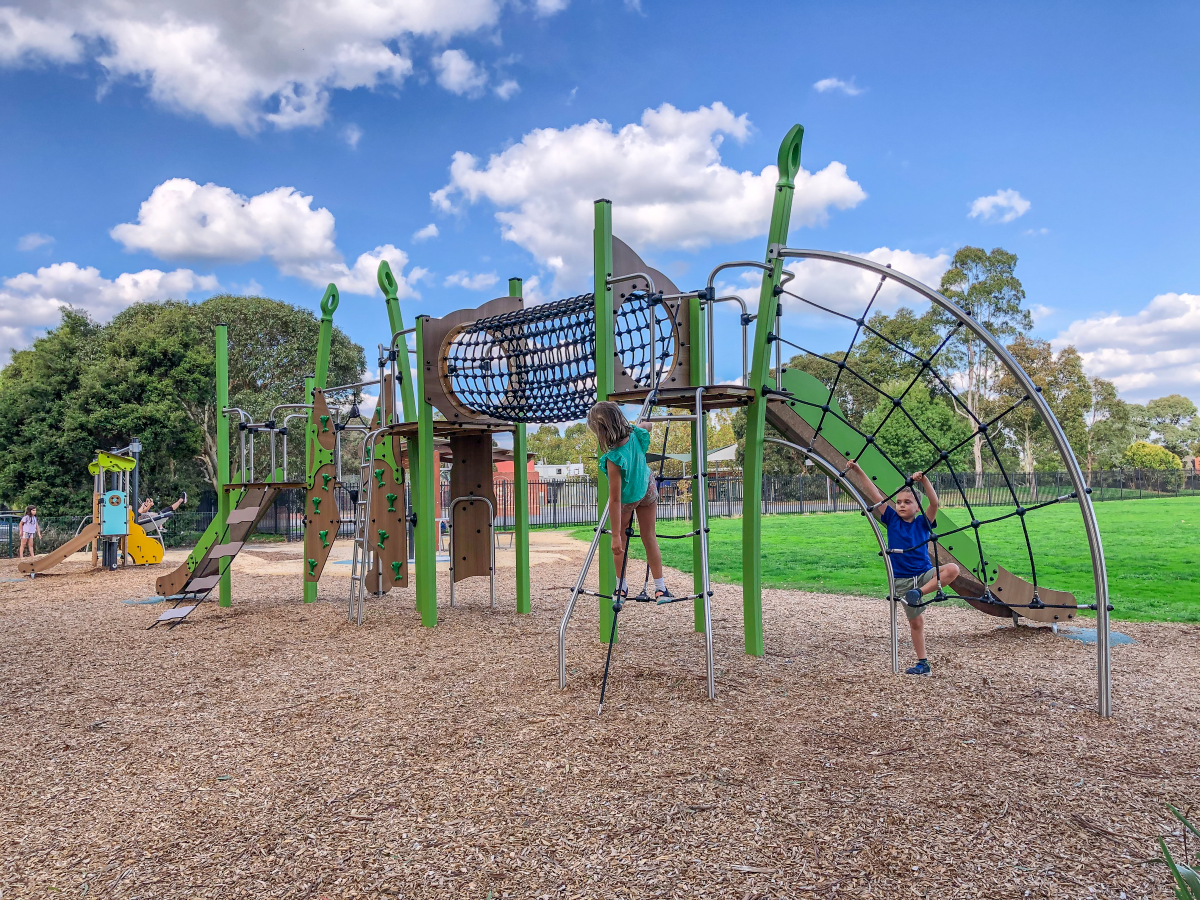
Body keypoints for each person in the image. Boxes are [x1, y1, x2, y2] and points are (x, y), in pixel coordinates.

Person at [845, 462, 959, 676]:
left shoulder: (923, 523)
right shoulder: (892, 520)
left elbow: (934, 502)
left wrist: (924, 481)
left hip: (924, 576)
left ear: (917, 507)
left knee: (952, 569)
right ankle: (923, 663)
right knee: (916, 624)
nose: (902, 505)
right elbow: (873, 493)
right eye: (898, 502)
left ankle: (920, 593)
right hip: (902, 581)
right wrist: (859, 470)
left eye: (908, 502)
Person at [586, 401, 670, 602]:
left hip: (628, 498)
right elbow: (647, 425)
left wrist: (615, 535)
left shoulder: (614, 458)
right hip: (647, 489)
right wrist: (638, 425)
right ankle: (660, 588)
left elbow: (615, 500)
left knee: (620, 542)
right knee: (649, 536)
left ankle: (621, 587)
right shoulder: (636, 434)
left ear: (602, 432)